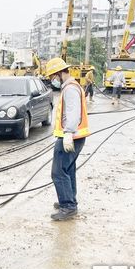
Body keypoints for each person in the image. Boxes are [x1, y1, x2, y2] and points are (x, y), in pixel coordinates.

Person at [45, 58, 90, 221]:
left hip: (71, 136)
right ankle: (70, 200)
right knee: (68, 170)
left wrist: (68, 134)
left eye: (52, 77)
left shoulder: (70, 89)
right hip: (76, 136)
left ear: (58, 73)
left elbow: (72, 112)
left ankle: (68, 206)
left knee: (58, 172)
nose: (52, 80)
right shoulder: (71, 86)